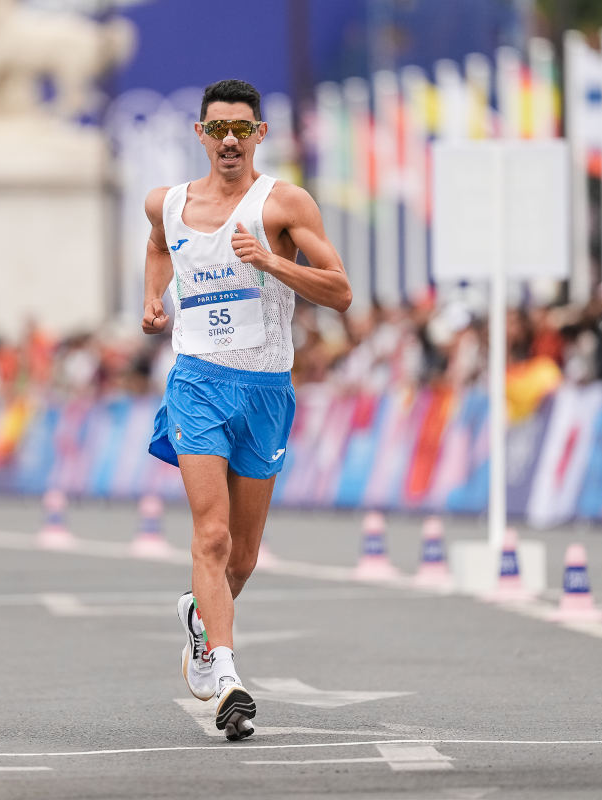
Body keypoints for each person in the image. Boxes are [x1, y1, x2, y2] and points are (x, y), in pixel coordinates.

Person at [141, 79, 351, 741]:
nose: (229, 140)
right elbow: (156, 246)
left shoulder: (283, 203)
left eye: (241, 128)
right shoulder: (166, 204)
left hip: (266, 389)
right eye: (216, 128)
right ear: (200, 135)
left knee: (244, 558)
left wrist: (272, 262)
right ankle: (228, 676)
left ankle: (201, 619)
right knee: (212, 536)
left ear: (260, 134)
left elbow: (340, 291)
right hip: (197, 382)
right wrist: (153, 300)